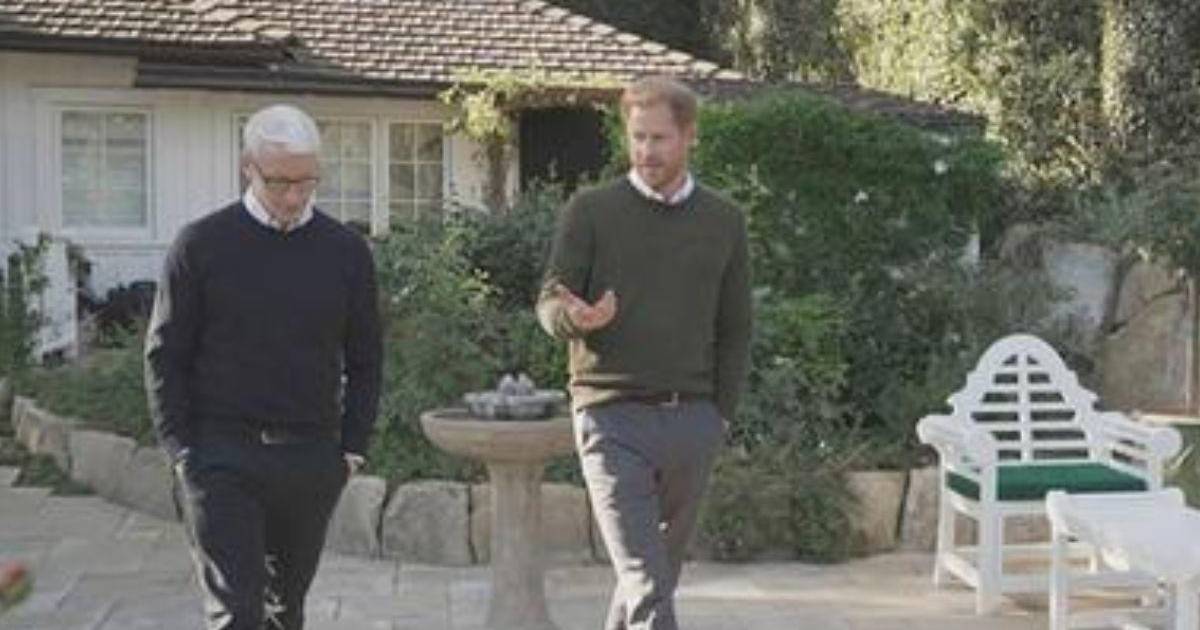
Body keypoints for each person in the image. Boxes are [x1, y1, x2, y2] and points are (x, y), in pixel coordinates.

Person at [144, 104, 382, 630]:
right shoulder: (200, 245)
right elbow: (165, 354)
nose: (295, 197)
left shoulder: (346, 252)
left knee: (285, 612)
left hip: (310, 458)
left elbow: (367, 358)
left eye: (307, 181)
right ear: (247, 168)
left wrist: (351, 450)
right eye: (279, 182)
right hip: (220, 455)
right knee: (238, 613)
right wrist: (181, 451)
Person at [536, 76, 752, 630]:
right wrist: (573, 318)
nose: (646, 151)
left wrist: (719, 416)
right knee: (647, 585)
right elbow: (549, 301)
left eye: (659, 138)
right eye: (637, 137)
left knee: (652, 577)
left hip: (692, 420)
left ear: (689, 135)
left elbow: (735, 327)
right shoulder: (590, 210)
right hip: (610, 416)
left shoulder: (724, 220)